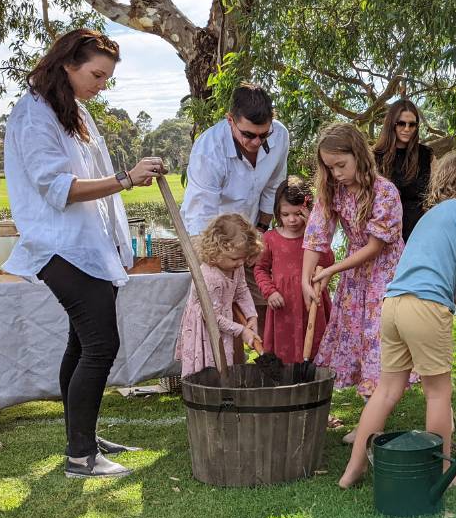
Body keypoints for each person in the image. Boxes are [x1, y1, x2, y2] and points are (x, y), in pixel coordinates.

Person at [3, 28, 166, 479]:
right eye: (96, 74)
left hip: (88, 246)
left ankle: (84, 438)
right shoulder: (34, 114)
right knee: (101, 344)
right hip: (58, 246)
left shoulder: (74, 111)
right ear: (68, 63)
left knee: (81, 342)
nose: (101, 84)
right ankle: (81, 457)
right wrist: (127, 179)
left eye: (107, 77)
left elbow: (89, 178)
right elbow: (58, 189)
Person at [338, 149, 456, 489]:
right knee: (438, 392)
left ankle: (353, 469)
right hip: (426, 309)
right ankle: (441, 470)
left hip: (394, 305)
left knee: (386, 391)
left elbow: (450, 283)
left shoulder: (430, 218)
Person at [302, 123, 408, 443]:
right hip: (355, 277)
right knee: (359, 341)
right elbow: (316, 235)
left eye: (341, 165)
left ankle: (371, 424)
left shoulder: (384, 191)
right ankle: (370, 418)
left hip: (385, 274)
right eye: (329, 167)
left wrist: (331, 270)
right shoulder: (333, 191)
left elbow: (375, 247)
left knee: (379, 342)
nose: (335, 174)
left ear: (359, 156)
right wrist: (307, 278)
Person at [180, 83, 289, 335]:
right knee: (224, 315)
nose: (256, 141)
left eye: (264, 134)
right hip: (212, 240)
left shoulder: (280, 135)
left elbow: (273, 188)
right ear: (230, 120)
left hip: (251, 233)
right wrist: (224, 260)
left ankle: (267, 361)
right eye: (248, 135)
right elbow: (201, 218)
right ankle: (233, 370)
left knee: (266, 303)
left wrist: (258, 234)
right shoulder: (209, 149)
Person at [253, 177, 334, 363]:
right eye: (285, 214)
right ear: (277, 213)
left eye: (298, 214)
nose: (292, 219)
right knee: (285, 350)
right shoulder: (270, 238)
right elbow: (260, 269)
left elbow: (328, 261)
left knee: (315, 344)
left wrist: (312, 231)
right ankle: (287, 384)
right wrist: (269, 292)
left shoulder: (314, 238)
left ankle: (315, 382)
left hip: (312, 302)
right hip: (284, 305)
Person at [175, 214, 263, 377]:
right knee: (209, 369)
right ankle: (208, 394)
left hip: (222, 321)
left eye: (243, 258)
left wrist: (252, 315)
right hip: (206, 326)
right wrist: (241, 331)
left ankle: (224, 392)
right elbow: (211, 318)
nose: (240, 263)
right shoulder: (210, 278)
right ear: (216, 250)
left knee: (224, 363)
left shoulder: (236, 265)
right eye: (235, 258)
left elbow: (242, 290)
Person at [373, 100, 433, 242]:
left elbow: (434, 195)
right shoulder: (375, 156)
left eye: (412, 124)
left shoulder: (426, 154)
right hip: (384, 234)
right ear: (391, 124)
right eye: (401, 123)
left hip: (419, 232)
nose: (407, 129)